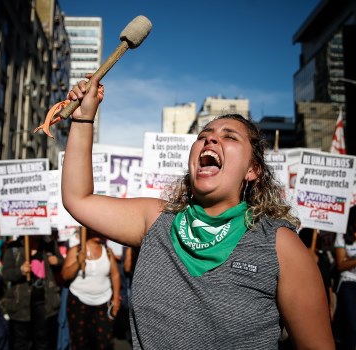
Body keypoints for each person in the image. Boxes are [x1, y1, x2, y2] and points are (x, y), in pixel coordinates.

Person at [57, 76, 334, 348]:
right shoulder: (156, 220)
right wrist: (83, 120)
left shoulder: (281, 246)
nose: (210, 141)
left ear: (252, 170)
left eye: (229, 137)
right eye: (204, 136)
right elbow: (78, 199)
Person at [60, 229, 121, 350]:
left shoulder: (107, 252)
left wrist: (116, 299)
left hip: (103, 304)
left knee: (103, 342)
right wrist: (78, 262)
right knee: (80, 342)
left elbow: (115, 275)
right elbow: (65, 275)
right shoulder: (76, 250)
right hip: (78, 303)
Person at [1, 234, 64, 350]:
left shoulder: (49, 245)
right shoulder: (13, 248)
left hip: (45, 302)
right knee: (21, 340)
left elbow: (61, 263)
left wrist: (57, 261)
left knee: (43, 339)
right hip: (20, 304)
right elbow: (6, 274)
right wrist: (20, 271)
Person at [332, 206, 356, 350]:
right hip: (349, 284)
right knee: (353, 328)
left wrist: (351, 259)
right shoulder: (342, 235)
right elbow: (341, 265)